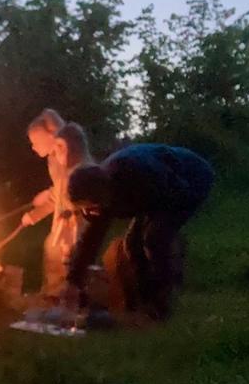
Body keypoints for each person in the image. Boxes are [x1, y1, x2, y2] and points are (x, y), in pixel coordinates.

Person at [64, 135, 215, 322]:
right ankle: (140, 302)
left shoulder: (134, 172)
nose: (88, 212)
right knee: (132, 244)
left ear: (100, 194)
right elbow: (91, 240)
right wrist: (73, 282)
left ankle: (162, 304)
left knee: (154, 238)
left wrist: (162, 229)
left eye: (89, 206)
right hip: (152, 193)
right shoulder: (101, 201)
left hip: (190, 178)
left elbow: (174, 191)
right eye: (83, 209)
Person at [21, 108, 85, 297]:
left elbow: (64, 192)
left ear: (52, 138)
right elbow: (58, 194)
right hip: (63, 214)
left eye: (35, 142)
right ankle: (54, 295)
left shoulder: (65, 158)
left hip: (74, 216)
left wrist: (49, 195)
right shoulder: (52, 160)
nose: (33, 147)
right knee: (52, 249)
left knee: (65, 254)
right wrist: (33, 215)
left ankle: (66, 297)